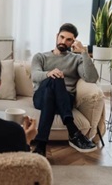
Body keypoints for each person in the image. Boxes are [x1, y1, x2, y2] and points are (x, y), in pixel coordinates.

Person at [31, 23, 99, 157]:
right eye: (62, 37)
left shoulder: (77, 59)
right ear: (57, 36)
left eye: (68, 40)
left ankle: (41, 145)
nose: (63, 41)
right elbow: (35, 75)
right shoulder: (40, 57)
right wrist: (49, 73)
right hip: (41, 98)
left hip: (65, 100)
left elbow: (92, 78)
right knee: (55, 79)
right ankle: (73, 131)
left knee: (54, 86)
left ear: (73, 42)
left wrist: (84, 53)